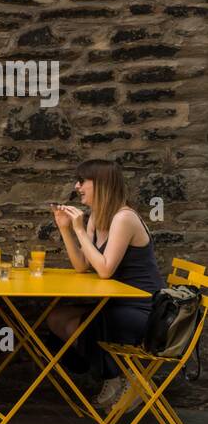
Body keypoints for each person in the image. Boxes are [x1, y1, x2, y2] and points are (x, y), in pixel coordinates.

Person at [47, 159, 163, 408]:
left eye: (82, 181)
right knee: (56, 318)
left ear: (100, 185)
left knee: (89, 324)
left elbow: (105, 270)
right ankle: (113, 374)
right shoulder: (98, 216)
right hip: (117, 303)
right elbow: (82, 265)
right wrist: (66, 229)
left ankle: (126, 378)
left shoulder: (124, 218)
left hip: (143, 308)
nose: (77, 187)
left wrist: (79, 230)